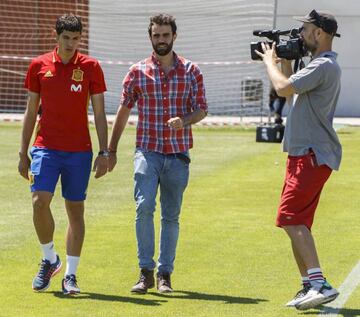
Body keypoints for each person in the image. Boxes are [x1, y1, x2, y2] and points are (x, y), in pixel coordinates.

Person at [108, 13, 207, 294]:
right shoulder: (137, 71)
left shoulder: (192, 71)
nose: (161, 40)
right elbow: (124, 111)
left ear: (174, 36)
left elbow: (202, 108)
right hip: (147, 151)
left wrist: (184, 120)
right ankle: (145, 272)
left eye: (165, 35)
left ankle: (165, 274)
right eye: (156, 35)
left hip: (178, 154)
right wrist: (110, 149)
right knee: (144, 206)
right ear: (150, 37)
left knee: (171, 217)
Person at [256, 10, 342, 310]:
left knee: (291, 219)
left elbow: (282, 89)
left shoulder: (323, 65)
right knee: (297, 221)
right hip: (303, 154)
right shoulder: (319, 66)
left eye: (305, 29)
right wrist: (286, 59)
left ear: (319, 33)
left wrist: (269, 62)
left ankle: (320, 284)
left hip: (311, 154)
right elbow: (292, 89)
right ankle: (308, 284)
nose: (300, 34)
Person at [18, 14, 109, 295]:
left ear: (80, 38)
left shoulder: (91, 67)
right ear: (56, 37)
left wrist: (105, 151)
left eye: (75, 39)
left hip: (79, 152)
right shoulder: (38, 66)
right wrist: (23, 152)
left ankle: (70, 275)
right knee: (38, 201)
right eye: (66, 38)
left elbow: (100, 112)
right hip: (45, 147)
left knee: (75, 211)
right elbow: (31, 111)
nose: (71, 44)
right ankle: (49, 258)